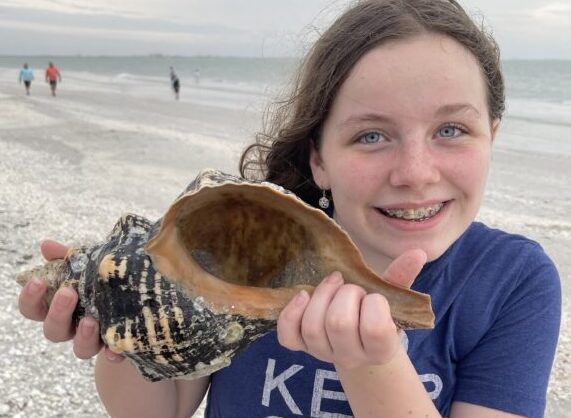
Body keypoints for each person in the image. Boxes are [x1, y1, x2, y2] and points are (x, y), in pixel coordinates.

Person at [18, 1, 561, 417]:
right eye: (371, 135)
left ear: (492, 137)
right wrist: (120, 333)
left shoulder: (512, 282)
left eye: (451, 130)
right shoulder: (245, 248)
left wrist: (371, 366)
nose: (415, 172)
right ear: (318, 159)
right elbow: (160, 407)